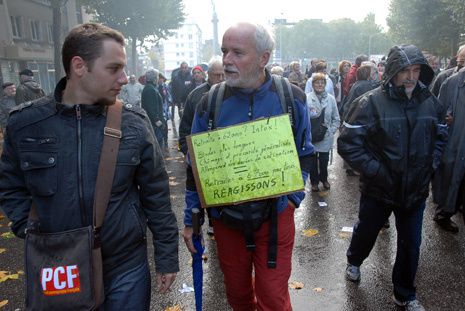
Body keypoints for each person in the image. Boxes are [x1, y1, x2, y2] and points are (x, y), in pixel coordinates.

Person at [0, 23, 179, 310]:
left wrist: (167, 257)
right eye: (114, 68)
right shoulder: (25, 123)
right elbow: (10, 185)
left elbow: (156, 195)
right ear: (79, 66)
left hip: (125, 268)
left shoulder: (134, 123)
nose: (124, 78)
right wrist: (31, 228)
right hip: (59, 267)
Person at [183, 22, 313, 311]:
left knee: (274, 299)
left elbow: (305, 153)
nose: (227, 60)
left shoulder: (292, 98)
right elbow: (195, 169)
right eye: (224, 51)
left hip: (276, 219)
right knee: (239, 297)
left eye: (237, 53)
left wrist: (292, 199)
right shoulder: (209, 103)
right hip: (228, 222)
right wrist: (191, 219)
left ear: (263, 58)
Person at [338, 44, 447, 311]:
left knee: (411, 244)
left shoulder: (431, 103)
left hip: (415, 190)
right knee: (366, 231)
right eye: (405, 71)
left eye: (416, 70)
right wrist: (377, 172)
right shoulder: (371, 102)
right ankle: (354, 260)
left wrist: (429, 166)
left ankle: (405, 294)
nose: (411, 76)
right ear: (392, 72)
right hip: (380, 189)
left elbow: (440, 137)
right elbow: (348, 144)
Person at [431, 65, 465, 233]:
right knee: (452, 184)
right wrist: (444, 118)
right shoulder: (450, 82)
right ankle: (443, 214)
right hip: (455, 145)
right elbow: (436, 111)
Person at [178, 56, 224, 156]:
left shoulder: (233, 92)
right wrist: (189, 153)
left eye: (223, 75)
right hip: (203, 154)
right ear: (209, 74)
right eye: (217, 75)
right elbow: (185, 128)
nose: (221, 79)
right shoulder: (194, 96)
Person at [307, 73, 340, 192]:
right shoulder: (307, 98)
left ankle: (324, 179)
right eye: (317, 82)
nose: (320, 85)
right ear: (313, 84)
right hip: (312, 135)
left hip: (326, 136)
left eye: (322, 82)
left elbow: (336, 118)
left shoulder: (331, 99)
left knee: (324, 160)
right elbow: (304, 118)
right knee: (312, 160)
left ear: (325, 85)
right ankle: (314, 182)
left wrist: (330, 131)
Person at [141, 68, 167, 149]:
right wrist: (159, 123)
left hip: (154, 124)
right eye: (157, 77)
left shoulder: (150, 88)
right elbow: (151, 109)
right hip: (154, 126)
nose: (158, 79)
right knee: (158, 147)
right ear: (154, 78)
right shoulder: (150, 89)